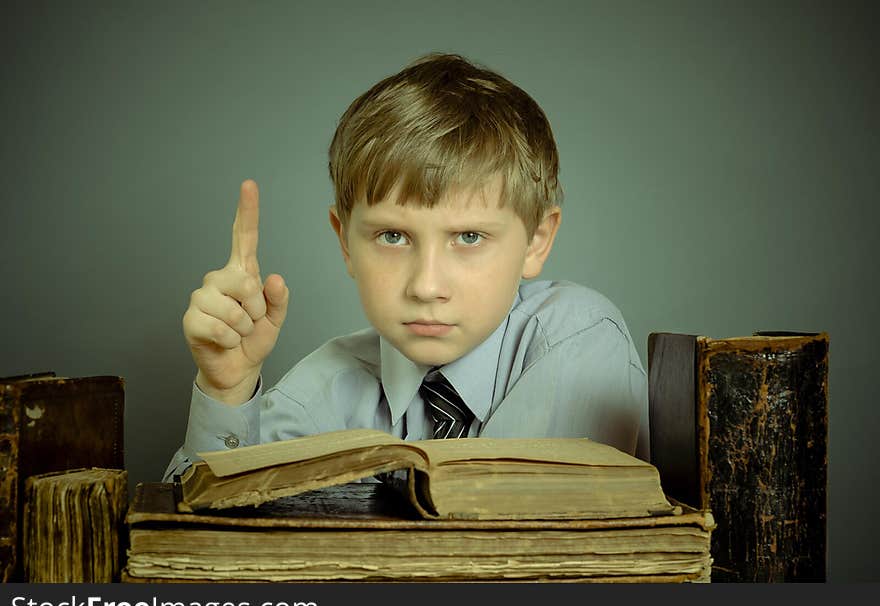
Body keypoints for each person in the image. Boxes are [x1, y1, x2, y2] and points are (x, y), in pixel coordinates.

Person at [163, 53, 648, 482]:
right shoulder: (325, 387)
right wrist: (226, 391)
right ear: (345, 243)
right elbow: (197, 549)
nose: (426, 285)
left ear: (535, 241)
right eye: (392, 236)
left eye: (469, 237)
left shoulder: (577, 336)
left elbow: (509, 541)